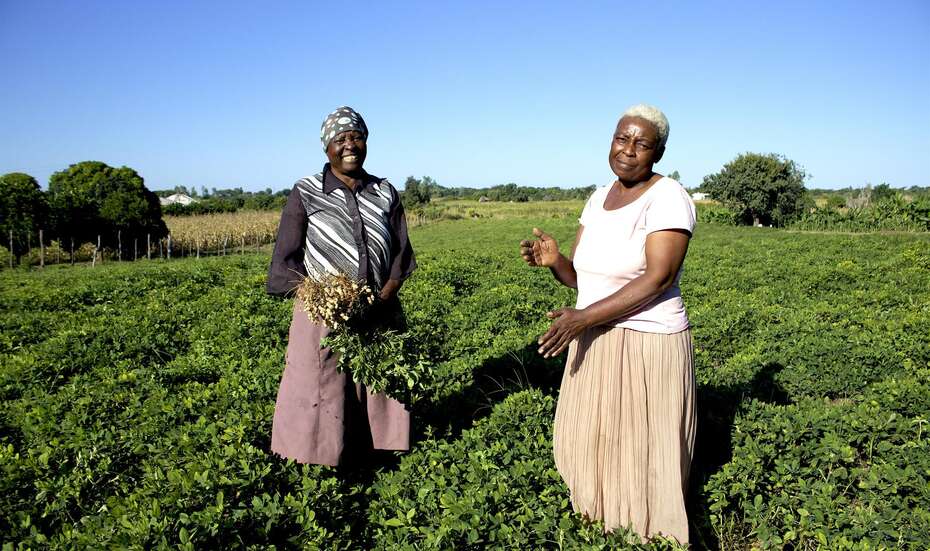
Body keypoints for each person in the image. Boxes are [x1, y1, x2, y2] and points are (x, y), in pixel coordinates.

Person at [519, 104, 696, 544]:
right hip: (595, 336)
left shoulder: (668, 197)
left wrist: (582, 319)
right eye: (622, 138)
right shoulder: (598, 198)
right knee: (592, 438)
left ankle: (649, 535)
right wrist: (556, 262)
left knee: (639, 448)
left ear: (658, 152)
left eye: (642, 143)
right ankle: (597, 525)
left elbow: (660, 277)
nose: (628, 150)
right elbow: (583, 280)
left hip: (646, 340)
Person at [266, 106, 417, 467]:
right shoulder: (307, 191)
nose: (350, 145)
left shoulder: (384, 192)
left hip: (379, 307)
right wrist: (322, 299)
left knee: (378, 378)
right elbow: (285, 259)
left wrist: (385, 295)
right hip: (324, 312)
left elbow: (401, 252)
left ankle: (378, 455)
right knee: (322, 382)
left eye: (357, 137)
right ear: (327, 147)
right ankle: (318, 462)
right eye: (341, 139)